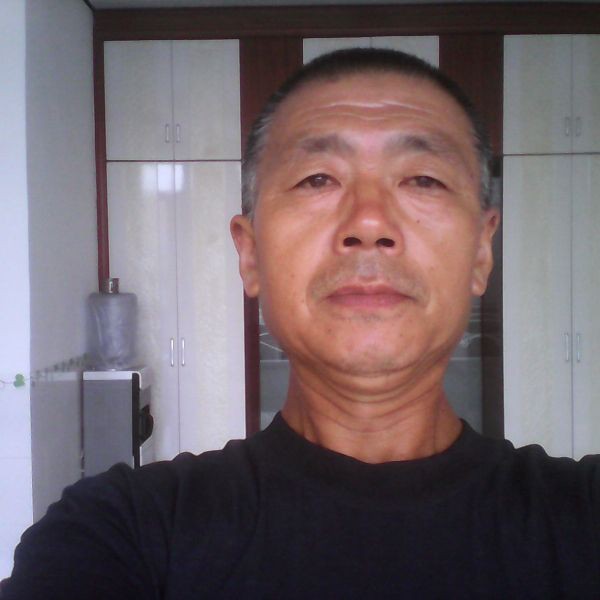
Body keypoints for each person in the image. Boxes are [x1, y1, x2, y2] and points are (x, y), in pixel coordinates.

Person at [3, 48, 600, 599]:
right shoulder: (123, 531)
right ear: (250, 254)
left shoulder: (580, 519)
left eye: (423, 179)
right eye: (318, 178)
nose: (369, 222)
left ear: (481, 253)